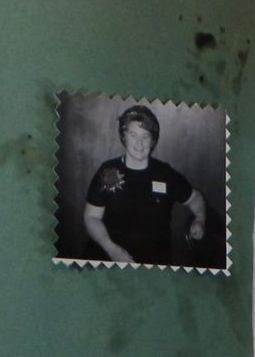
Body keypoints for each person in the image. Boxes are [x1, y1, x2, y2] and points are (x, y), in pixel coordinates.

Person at [81, 103, 207, 266]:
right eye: (133, 135)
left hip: (153, 262)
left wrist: (200, 219)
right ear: (124, 136)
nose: (139, 143)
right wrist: (111, 249)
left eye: (145, 137)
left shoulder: (165, 173)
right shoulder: (108, 170)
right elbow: (91, 217)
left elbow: (195, 198)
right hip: (108, 258)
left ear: (153, 140)